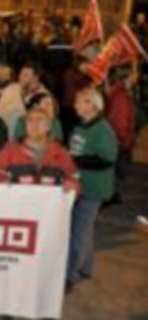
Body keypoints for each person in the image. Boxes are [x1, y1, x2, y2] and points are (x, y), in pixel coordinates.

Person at [66, 88, 118, 291]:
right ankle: (86, 266)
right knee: (84, 229)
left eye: (79, 101)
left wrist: (78, 161)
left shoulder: (103, 130)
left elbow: (107, 159)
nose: (75, 105)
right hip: (79, 186)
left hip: (92, 189)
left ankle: (70, 274)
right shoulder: (81, 126)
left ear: (92, 105)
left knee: (79, 231)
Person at [0, 107, 80, 190]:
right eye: (30, 120)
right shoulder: (11, 149)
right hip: (19, 204)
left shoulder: (60, 152)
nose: (34, 124)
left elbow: (74, 178)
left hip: (49, 205)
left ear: (48, 127)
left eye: (39, 120)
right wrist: (7, 188)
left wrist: (72, 185)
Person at [105, 67, 137, 204]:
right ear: (127, 76)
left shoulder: (119, 92)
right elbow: (120, 120)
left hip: (119, 139)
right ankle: (110, 195)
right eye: (134, 72)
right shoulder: (121, 95)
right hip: (120, 140)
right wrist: (124, 139)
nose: (136, 76)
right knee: (118, 170)